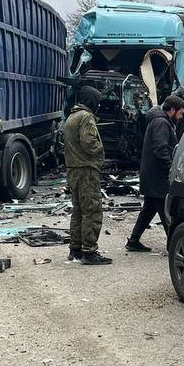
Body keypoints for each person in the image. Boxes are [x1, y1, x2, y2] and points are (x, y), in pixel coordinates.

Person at [126, 95, 184, 252]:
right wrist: (170, 168)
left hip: (152, 175)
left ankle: (133, 241)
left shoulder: (160, 121)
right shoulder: (161, 123)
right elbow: (160, 148)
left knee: (149, 210)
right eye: (180, 113)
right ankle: (175, 247)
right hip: (158, 177)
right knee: (167, 213)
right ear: (172, 110)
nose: (180, 118)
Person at [63, 85, 111, 265]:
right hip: (86, 171)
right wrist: (100, 150)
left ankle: (75, 248)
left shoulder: (71, 116)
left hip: (73, 169)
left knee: (78, 211)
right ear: (92, 101)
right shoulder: (86, 117)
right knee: (92, 210)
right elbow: (89, 143)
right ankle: (89, 252)